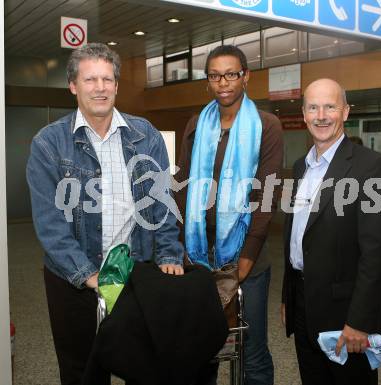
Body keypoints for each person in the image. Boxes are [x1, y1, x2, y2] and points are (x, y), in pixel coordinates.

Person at [26, 43, 184, 385]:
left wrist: (169, 252)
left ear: (116, 85)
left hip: (135, 273)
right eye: (90, 79)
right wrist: (88, 275)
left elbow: (161, 203)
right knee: (83, 372)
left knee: (144, 367)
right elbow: (50, 223)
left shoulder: (147, 136)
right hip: (73, 283)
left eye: (107, 79)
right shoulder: (48, 144)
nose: (100, 87)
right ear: (73, 86)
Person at [175, 45, 283, 385]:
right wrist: (179, 247)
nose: (224, 83)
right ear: (208, 81)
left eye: (231, 74)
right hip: (197, 257)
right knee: (200, 348)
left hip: (247, 259)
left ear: (246, 76)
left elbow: (265, 195)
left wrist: (246, 258)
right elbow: (182, 184)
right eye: (215, 75)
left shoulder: (267, 125)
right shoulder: (196, 124)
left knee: (252, 350)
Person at [281, 78, 381, 385]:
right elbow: (297, 239)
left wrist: (360, 321)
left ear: (345, 112)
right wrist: (287, 298)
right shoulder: (300, 167)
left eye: (330, 106)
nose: (321, 115)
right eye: (313, 107)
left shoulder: (371, 167)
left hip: (345, 315)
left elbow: (378, 254)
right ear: (304, 114)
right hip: (304, 305)